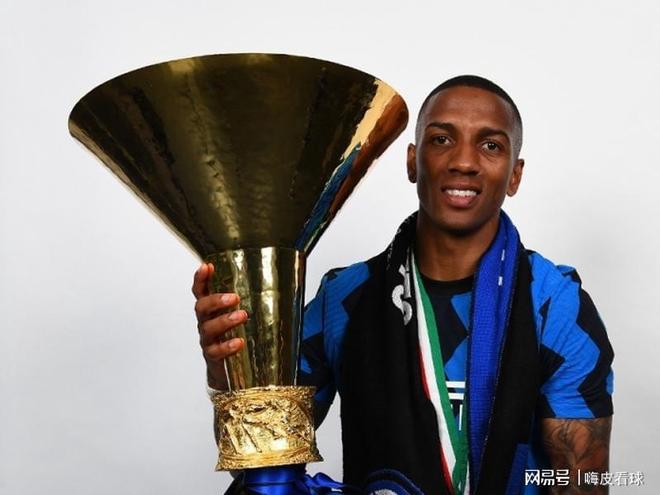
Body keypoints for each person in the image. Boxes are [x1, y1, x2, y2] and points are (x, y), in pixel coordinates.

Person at [192, 76, 614, 495]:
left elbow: (582, 485)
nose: (463, 161)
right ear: (412, 161)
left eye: (491, 145)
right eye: (441, 139)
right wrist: (230, 367)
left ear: (515, 175)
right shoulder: (345, 299)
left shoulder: (555, 305)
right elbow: (265, 472)